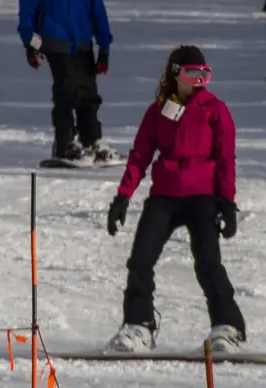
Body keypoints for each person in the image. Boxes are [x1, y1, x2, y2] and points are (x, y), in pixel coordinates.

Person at [103, 45, 246, 354]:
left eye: (205, 74)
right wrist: (122, 197)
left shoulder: (215, 110)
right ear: (176, 74)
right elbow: (140, 155)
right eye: (193, 73)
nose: (199, 80)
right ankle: (139, 325)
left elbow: (226, 159)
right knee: (140, 260)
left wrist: (227, 203)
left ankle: (228, 327)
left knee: (208, 263)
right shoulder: (159, 110)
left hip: (202, 196)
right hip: (165, 196)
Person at [17, 0, 116, 162]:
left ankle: (91, 142)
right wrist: (30, 44)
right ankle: (65, 144)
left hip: (82, 44)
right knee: (67, 91)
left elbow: (98, 12)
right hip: (53, 43)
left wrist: (104, 48)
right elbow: (27, 10)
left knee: (88, 93)